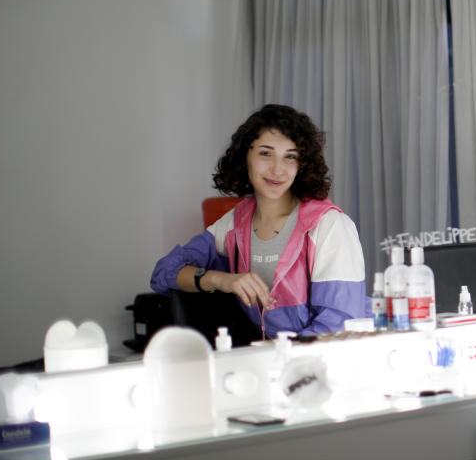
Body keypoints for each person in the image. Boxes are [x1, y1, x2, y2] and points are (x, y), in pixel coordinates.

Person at [151, 104, 367, 338]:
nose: (277, 169)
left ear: (302, 165)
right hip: (275, 360)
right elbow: (165, 272)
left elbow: (338, 327)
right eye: (265, 153)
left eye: (290, 157)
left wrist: (274, 360)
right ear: (246, 157)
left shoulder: (329, 225)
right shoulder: (234, 224)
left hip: (328, 363)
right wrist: (220, 279)